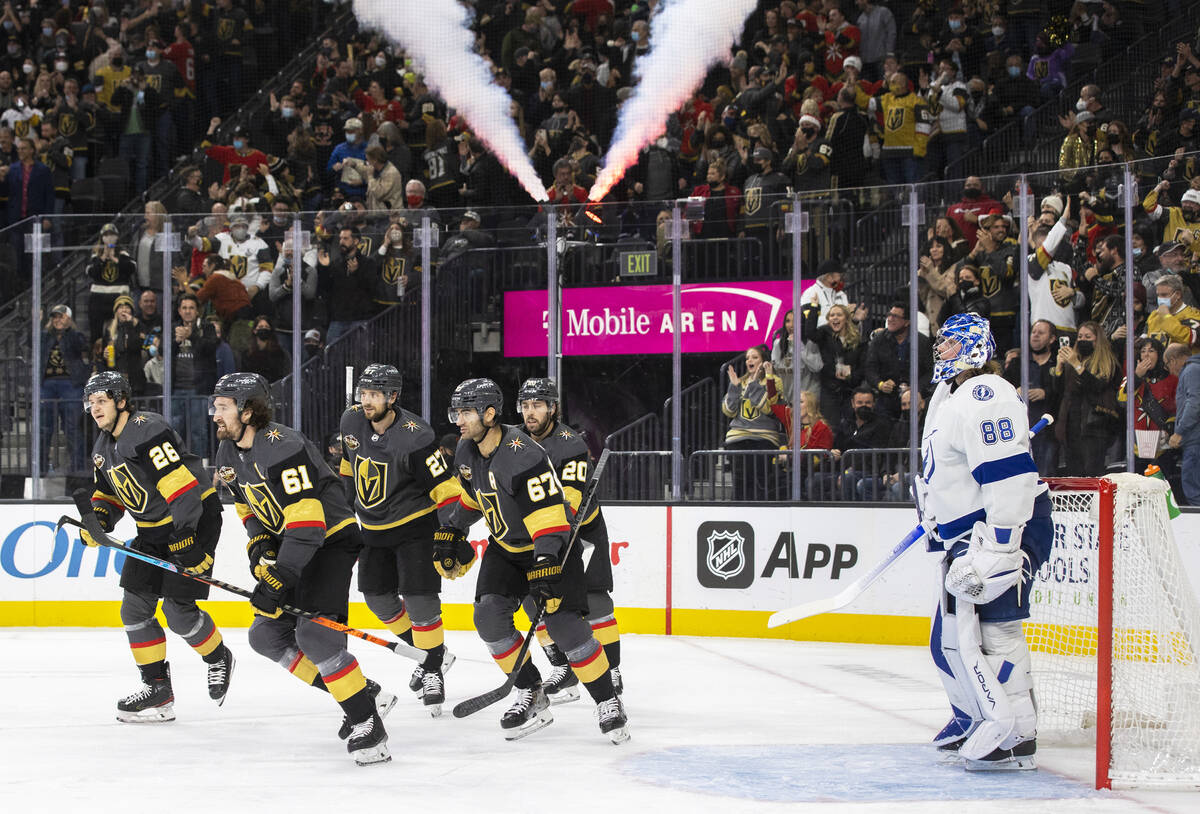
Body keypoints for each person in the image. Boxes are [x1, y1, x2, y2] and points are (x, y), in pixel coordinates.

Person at [210, 373, 394, 765]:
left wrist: (282, 573)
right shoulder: (228, 453)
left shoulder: (284, 445)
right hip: (290, 542)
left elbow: (309, 525)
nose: (215, 414)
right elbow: (247, 505)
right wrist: (259, 540)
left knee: (315, 634)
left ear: (247, 410)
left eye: (223, 406)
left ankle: (368, 725)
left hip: (329, 541)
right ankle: (362, 691)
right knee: (266, 637)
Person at [440, 378, 628, 743]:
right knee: (488, 619)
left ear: (489, 414)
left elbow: (549, 516)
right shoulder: (465, 449)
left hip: (553, 543)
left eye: (465, 412)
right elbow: (474, 496)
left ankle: (608, 699)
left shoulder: (521, 454)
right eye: (457, 412)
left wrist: (544, 561)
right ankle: (532, 692)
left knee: (565, 627)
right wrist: (453, 529)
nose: (458, 420)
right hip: (505, 547)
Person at [916, 311, 1051, 772]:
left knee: (997, 634)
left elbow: (1009, 478)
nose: (940, 351)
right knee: (950, 640)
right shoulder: (950, 394)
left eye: (949, 344)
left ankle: (1018, 735)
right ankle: (978, 717)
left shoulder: (985, 392)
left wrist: (999, 548)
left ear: (972, 346)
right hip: (973, 534)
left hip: (1001, 532)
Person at [81, 371, 233, 723]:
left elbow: (180, 486)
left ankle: (218, 657)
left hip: (194, 515)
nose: (95, 408)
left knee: (179, 612)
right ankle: (158, 691)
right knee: (134, 610)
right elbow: (108, 494)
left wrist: (186, 533)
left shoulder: (146, 428)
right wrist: (100, 520)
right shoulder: (102, 449)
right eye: (91, 403)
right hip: (152, 530)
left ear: (121, 401)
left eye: (102, 400)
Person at [338, 364, 462, 717]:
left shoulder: (416, 434)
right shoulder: (351, 421)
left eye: (375, 395)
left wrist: (452, 532)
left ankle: (432, 669)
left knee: (420, 602)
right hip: (373, 529)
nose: (367, 401)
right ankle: (432, 654)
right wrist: (345, 506)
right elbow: (349, 466)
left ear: (393, 397)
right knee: (379, 601)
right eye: (363, 394)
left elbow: (446, 488)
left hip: (415, 527)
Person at [517, 378, 625, 704]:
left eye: (537, 405)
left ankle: (612, 668)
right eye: (525, 405)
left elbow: (573, 499)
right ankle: (563, 667)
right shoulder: (515, 442)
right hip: (542, 531)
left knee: (595, 600)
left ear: (552, 408)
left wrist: (555, 523)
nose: (530, 412)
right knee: (533, 598)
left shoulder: (571, 444)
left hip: (583, 530)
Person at [1053, 321, 1122, 476]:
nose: (1083, 339)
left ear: (1097, 340)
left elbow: (1097, 386)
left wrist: (1077, 366)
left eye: (1088, 336)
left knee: (1091, 470)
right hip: (1071, 423)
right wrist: (1059, 367)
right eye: (1080, 336)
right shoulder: (1073, 361)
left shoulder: (1108, 362)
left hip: (1095, 425)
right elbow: (1060, 392)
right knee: (1073, 470)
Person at [722, 345, 786, 501]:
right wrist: (734, 388)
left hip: (763, 436)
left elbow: (768, 408)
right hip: (738, 436)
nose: (749, 360)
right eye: (747, 358)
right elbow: (728, 411)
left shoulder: (773, 381)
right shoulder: (740, 382)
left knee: (758, 480)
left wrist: (754, 386)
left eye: (755, 357)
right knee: (740, 482)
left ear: (764, 361)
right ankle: (738, 513)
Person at [1003, 320, 1062, 476]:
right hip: (1020, 431)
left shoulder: (1058, 362)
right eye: (1033, 332)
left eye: (1041, 333)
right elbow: (1002, 388)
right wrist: (1014, 390)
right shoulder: (1018, 362)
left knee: (1046, 477)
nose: (1035, 336)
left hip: (1048, 432)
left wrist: (1046, 393)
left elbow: (1066, 394)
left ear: (1052, 339)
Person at [40, 304, 90, 473]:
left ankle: (78, 470)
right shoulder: (45, 336)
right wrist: (38, 323)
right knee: (44, 428)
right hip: (47, 384)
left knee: (72, 428)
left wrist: (68, 330)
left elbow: (82, 347)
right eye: (54, 317)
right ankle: (40, 469)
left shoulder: (75, 335)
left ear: (68, 318)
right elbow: (31, 344)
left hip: (70, 384)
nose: (57, 320)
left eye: (61, 316)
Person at [85, 223, 137, 342]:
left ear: (117, 237)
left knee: (119, 330)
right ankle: (96, 355)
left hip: (118, 296)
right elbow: (91, 272)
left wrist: (115, 259)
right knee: (96, 332)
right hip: (98, 297)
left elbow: (132, 269)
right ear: (101, 237)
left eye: (112, 235)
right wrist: (102, 258)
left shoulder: (123, 254)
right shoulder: (95, 255)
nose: (109, 238)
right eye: (106, 235)